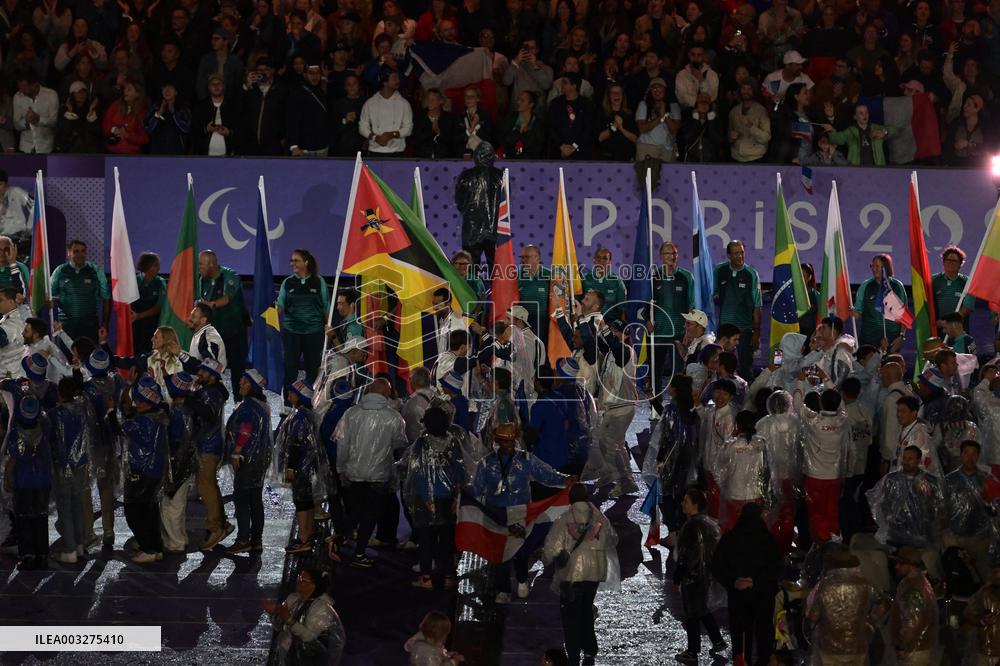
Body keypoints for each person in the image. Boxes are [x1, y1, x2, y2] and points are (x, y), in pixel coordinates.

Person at [472, 423, 571, 602]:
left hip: (521, 513)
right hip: (497, 514)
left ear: (516, 440)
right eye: (503, 441)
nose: (507, 445)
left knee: (521, 549)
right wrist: (462, 496)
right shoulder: (486, 463)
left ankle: (522, 581)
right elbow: (476, 489)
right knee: (500, 552)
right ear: (496, 441)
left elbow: (546, 475)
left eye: (510, 441)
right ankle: (504, 590)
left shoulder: (526, 459)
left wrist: (565, 481)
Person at [335, 378, 407, 568]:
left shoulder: (351, 413)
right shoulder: (393, 417)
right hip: (380, 474)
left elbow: (342, 444)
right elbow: (400, 443)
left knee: (356, 510)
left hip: (354, 472)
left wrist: (341, 468)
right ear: (386, 394)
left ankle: (339, 540)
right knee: (370, 514)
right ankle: (359, 552)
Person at [542, 483, 614, 666]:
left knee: (570, 616)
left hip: (572, 575)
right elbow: (611, 538)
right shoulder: (599, 517)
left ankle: (573, 655)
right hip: (595, 572)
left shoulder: (563, 519)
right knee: (586, 611)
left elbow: (551, 549)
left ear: (570, 499)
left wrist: (548, 559)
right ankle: (589, 651)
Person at [401, 407, 464, 590]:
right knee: (447, 538)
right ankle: (448, 576)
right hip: (448, 497)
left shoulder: (421, 444)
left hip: (425, 497)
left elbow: (416, 470)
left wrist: (425, 496)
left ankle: (426, 577)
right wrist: (457, 496)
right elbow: (459, 470)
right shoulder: (453, 442)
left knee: (426, 538)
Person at [713, 502, 781, 666]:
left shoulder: (730, 539)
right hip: (763, 594)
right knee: (763, 629)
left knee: (740, 632)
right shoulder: (768, 540)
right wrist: (756, 581)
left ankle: (742, 659)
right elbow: (776, 567)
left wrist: (734, 582)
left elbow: (717, 566)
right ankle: (763, 660)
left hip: (738, 596)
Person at [116, 377, 169, 564]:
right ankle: (155, 546)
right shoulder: (160, 414)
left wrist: (108, 410)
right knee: (150, 509)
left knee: (133, 511)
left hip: (141, 472)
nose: (136, 404)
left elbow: (118, 428)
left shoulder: (142, 422)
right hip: (155, 472)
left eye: (139, 401)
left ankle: (148, 548)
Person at [806, 547, 887, 663]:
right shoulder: (865, 585)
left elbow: (813, 616)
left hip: (830, 647)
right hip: (857, 646)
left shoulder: (825, 586)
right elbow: (883, 604)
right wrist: (870, 620)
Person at [672, 488, 725, 664]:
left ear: (695, 505)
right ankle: (717, 641)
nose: (682, 504)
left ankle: (693, 651)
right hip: (705, 574)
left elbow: (685, 556)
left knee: (692, 613)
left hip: (692, 576)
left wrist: (678, 578)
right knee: (701, 608)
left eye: (686, 501)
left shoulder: (690, 527)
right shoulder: (708, 524)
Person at [223, 369, 272, 555]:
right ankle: (256, 540)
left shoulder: (248, 407)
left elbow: (244, 431)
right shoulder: (262, 405)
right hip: (260, 459)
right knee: (256, 501)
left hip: (247, 459)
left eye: (244, 382)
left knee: (242, 501)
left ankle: (243, 539)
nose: (240, 384)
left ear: (252, 386)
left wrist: (236, 453)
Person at [2, 396, 51, 570]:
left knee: (24, 519)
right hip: (43, 481)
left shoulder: (16, 432)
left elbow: (13, 459)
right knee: (41, 517)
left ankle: (28, 555)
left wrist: (7, 478)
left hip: (23, 483)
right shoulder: (45, 429)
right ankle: (43, 555)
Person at [264, 567, 346, 665]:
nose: (298, 581)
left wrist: (288, 618)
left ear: (314, 586)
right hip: (287, 652)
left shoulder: (322, 608)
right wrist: (273, 612)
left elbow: (309, 638)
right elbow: (280, 627)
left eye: (303, 580)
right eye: (299, 577)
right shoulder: (293, 598)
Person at [49, 377, 92, 564]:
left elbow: (54, 442)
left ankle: (70, 549)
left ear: (60, 393)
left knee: (65, 509)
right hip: (80, 466)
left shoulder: (54, 414)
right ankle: (80, 545)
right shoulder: (83, 411)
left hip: (62, 467)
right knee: (77, 506)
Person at [277, 249, 329, 401]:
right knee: (290, 370)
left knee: (313, 370)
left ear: (306, 263)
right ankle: (287, 404)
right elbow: (280, 306)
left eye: (296, 260)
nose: (293, 263)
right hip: (291, 333)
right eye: (291, 260)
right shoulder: (287, 283)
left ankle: (310, 402)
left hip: (314, 333)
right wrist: (267, 316)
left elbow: (326, 307)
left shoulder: (319, 282)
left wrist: (327, 327)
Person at [193, 359, 233, 550]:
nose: (199, 372)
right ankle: (222, 523)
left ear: (213, 376)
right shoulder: (211, 391)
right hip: (208, 444)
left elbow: (207, 415)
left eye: (204, 371)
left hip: (208, 446)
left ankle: (215, 528)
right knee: (210, 485)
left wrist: (189, 399)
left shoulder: (213, 393)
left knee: (204, 486)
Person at [801, 388, 849, 543]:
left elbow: (796, 404)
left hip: (815, 477)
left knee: (815, 514)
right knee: (832, 513)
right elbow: (841, 404)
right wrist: (828, 380)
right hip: (834, 476)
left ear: (820, 403)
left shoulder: (814, 421)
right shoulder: (842, 419)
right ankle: (834, 547)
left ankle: (819, 549)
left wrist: (800, 380)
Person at [198, 250, 248, 396]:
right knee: (212, 371)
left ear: (212, 264)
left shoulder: (230, 276)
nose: (198, 267)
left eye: (201, 264)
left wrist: (210, 304)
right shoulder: (203, 280)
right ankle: (213, 403)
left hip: (234, 332)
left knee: (237, 370)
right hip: (215, 335)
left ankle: (240, 403)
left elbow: (227, 298)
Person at [942, 440, 992, 583]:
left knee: (986, 577)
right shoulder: (949, 481)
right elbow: (941, 510)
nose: (970, 458)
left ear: (978, 456)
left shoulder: (985, 480)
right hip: (954, 538)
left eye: (974, 454)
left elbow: (993, 510)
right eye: (966, 453)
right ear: (961, 455)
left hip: (979, 538)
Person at [161, 372, 199, 554]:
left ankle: (175, 542)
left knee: (171, 505)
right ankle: (181, 537)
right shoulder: (190, 407)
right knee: (180, 503)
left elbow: (175, 441)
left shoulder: (177, 412)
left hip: (177, 462)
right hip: (188, 461)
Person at [713, 240, 762, 380]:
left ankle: (747, 400)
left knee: (746, 369)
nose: (740, 256)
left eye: (742, 252)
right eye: (736, 253)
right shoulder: (719, 270)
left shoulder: (751, 274)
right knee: (722, 369)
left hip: (744, 330)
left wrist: (756, 332)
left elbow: (757, 305)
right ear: (728, 255)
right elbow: (711, 294)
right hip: (724, 331)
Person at [50, 239, 110, 343]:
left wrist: (105, 324)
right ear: (69, 253)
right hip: (65, 328)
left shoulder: (95, 270)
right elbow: (50, 298)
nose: (80, 254)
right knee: (66, 358)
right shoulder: (60, 271)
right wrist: (53, 318)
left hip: (90, 327)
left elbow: (106, 299)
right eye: (76, 251)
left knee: (88, 358)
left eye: (83, 251)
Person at [454, 141, 502, 268]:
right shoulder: (500, 176)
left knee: (470, 267)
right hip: (495, 228)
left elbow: (459, 201)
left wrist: (470, 214)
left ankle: (471, 288)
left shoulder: (466, 176)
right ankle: (495, 288)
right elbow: (506, 203)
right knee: (496, 267)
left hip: (471, 228)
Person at [889, 546, 939, 664]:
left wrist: (902, 646)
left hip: (914, 650)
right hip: (919, 646)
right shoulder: (919, 581)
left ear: (910, 565)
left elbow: (912, 622)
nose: (896, 567)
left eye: (900, 564)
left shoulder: (913, 587)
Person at [854, 254, 907, 350]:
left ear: (885, 268)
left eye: (877, 266)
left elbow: (903, 316)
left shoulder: (897, 287)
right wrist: (848, 308)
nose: (874, 269)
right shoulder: (865, 286)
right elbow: (857, 314)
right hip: (869, 342)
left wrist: (901, 336)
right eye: (872, 266)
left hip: (892, 342)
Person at [359, 67, 412, 156]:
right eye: (394, 78)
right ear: (385, 82)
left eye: (398, 78)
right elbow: (362, 127)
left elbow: (409, 128)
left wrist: (392, 134)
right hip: (374, 151)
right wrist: (375, 137)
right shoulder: (370, 103)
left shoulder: (404, 103)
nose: (398, 81)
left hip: (397, 152)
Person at [546, 73, 594, 160]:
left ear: (574, 86)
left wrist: (574, 146)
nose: (562, 85)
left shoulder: (586, 104)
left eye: (565, 82)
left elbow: (588, 129)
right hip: (558, 152)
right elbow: (550, 126)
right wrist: (561, 145)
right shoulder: (555, 103)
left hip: (580, 153)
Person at [12, 71, 59, 154]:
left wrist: (38, 119)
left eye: (24, 86)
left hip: (46, 147)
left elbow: (54, 122)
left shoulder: (51, 94)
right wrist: (26, 121)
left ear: (34, 84)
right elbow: (16, 125)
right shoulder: (17, 97)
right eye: (20, 86)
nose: (21, 90)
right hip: (25, 147)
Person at [964, 563, 1000, 665]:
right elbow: (967, 614)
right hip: (984, 652)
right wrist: (981, 621)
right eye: (995, 572)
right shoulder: (984, 592)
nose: (997, 575)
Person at [132, 252, 165, 356]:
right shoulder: (133, 281)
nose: (159, 268)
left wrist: (139, 316)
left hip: (152, 326)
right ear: (147, 266)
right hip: (134, 326)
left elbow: (159, 307)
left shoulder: (160, 282)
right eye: (156, 265)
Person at [728, 82, 771, 163]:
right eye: (743, 88)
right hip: (736, 156)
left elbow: (766, 137)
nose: (746, 91)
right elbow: (729, 136)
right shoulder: (734, 111)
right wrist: (731, 138)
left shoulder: (761, 111)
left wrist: (751, 126)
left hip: (755, 157)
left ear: (754, 91)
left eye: (749, 89)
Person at [518, 244, 551, 344]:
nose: (523, 260)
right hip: (522, 327)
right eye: (521, 257)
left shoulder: (550, 276)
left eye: (526, 257)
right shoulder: (515, 278)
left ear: (537, 258)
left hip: (544, 327)